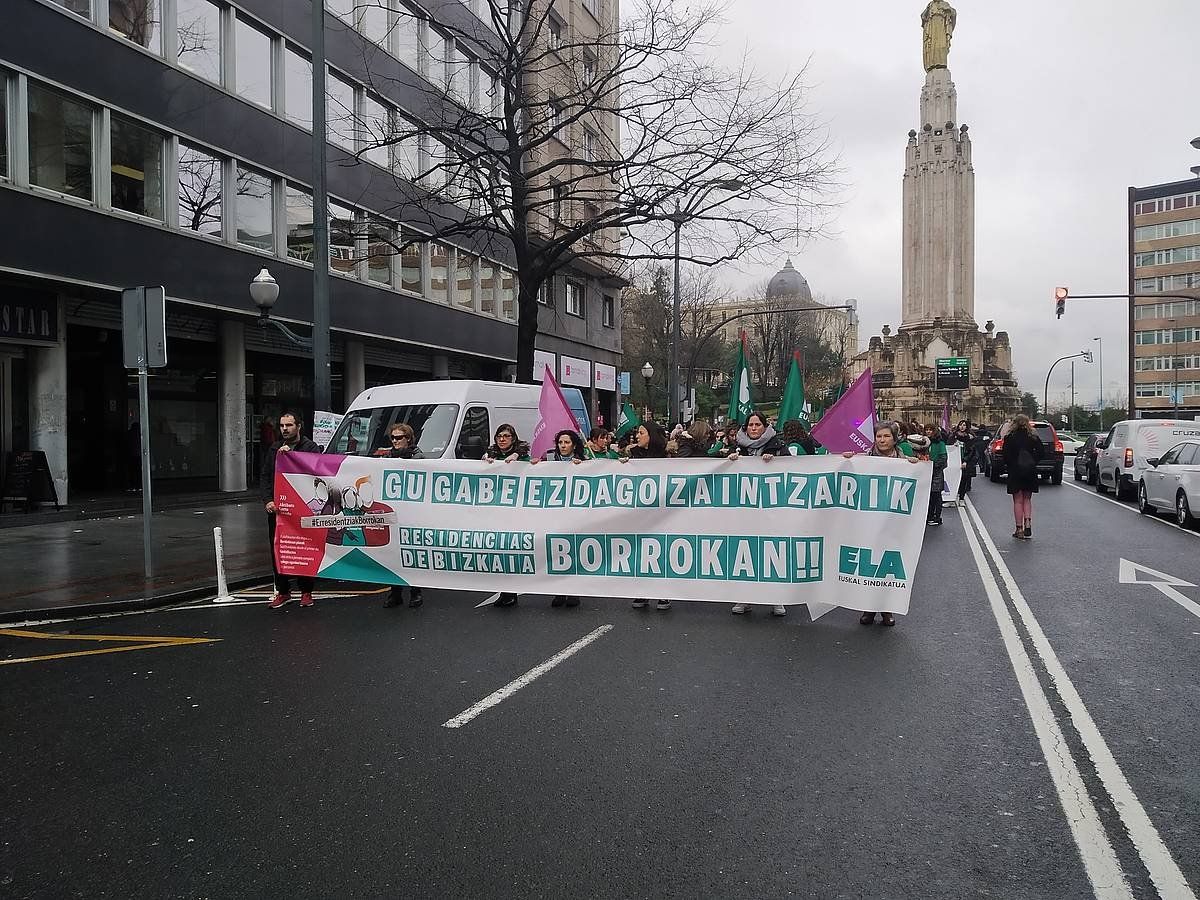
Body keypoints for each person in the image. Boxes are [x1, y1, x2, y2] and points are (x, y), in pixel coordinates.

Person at [844, 421, 919, 626]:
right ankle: (868, 608)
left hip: (893, 523)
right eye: (878, 436)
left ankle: (887, 610)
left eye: (886, 436)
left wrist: (915, 467)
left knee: (888, 566)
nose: (882, 440)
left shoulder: (905, 462)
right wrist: (848, 461)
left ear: (895, 439)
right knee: (868, 564)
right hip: (869, 522)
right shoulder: (864, 461)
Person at [726, 412, 790, 616]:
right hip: (745, 510)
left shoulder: (778, 446)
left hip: (772, 510)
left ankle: (776, 599)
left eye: (757, 425)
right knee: (745, 553)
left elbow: (797, 469)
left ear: (765, 426)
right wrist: (730, 461)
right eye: (750, 425)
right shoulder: (738, 447)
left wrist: (777, 462)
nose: (753, 428)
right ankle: (744, 598)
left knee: (773, 553)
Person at [262, 411, 320, 609]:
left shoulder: (310, 447)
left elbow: (315, 473)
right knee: (278, 549)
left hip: (301, 510)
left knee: (303, 548)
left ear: (299, 426)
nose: (285, 429)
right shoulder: (274, 448)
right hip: (278, 510)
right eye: (281, 426)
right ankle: (283, 590)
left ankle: (306, 591)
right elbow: (265, 476)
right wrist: (268, 500)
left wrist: (291, 457)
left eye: (289, 425)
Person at [622, 422, 672, 611]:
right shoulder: (632, 455)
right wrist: (621, 466)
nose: (637, 436)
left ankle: (663, 592)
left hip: (662, 514)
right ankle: (642, 591)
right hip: (639, 514)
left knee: (661, 551)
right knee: (641, 551)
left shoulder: (669, 457)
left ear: (651, 435)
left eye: (642, 433)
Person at [376, 424, 425, 609]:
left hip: (411, 513)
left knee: (410, 554)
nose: (395, 441)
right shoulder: (387, 457)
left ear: (409, 439)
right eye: (393, 438)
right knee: (393, 554)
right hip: (393, 512)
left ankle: (415, 592)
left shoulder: (418, 458)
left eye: (399, 437)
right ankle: (395, 593)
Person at [482, 424, 530, 607]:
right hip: (496, 513)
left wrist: (527, 462)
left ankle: (511, 591)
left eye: (506, 436)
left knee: (510, 551)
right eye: (499, 436)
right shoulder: (490, 457)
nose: (502, 439)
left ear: (513, 438)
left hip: (515, 513)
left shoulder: (521, 458)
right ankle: (505, 591)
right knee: (499, 553)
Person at [1002, 413, 1045, 540]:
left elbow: (1005, 455)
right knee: (1027, 499)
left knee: (1017, 500)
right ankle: (1028, 522)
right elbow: (1041, 452)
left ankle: (1019, 528)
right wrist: (1032, 461)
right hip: (1030, 470)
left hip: (1015, 471)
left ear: (1014, 424)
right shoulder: (1033, 437)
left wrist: (1012, 464)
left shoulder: (1009, 437)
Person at [924, 424, 947, 526]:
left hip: (936, 473)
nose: (928, 432)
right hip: (926, 472)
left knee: (936, 495)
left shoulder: (939, 443)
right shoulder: (924, 443)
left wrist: (932, 465)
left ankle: (937, 517)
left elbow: (943, 458)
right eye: (926, 430)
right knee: (928, 496)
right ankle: (929, 516)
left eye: (930, 430)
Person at [953, 419, 976, 499]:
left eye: (964, 425)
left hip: (965, 460)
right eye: (960, 425)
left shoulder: (970, 437)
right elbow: (948, 445)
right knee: (954, 479)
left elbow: (971, 450)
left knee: (963, 479)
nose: (962, 427)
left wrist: (966, 460)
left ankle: (962, 497)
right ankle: (953, 497)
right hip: (955, 459)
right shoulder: (954, 435)